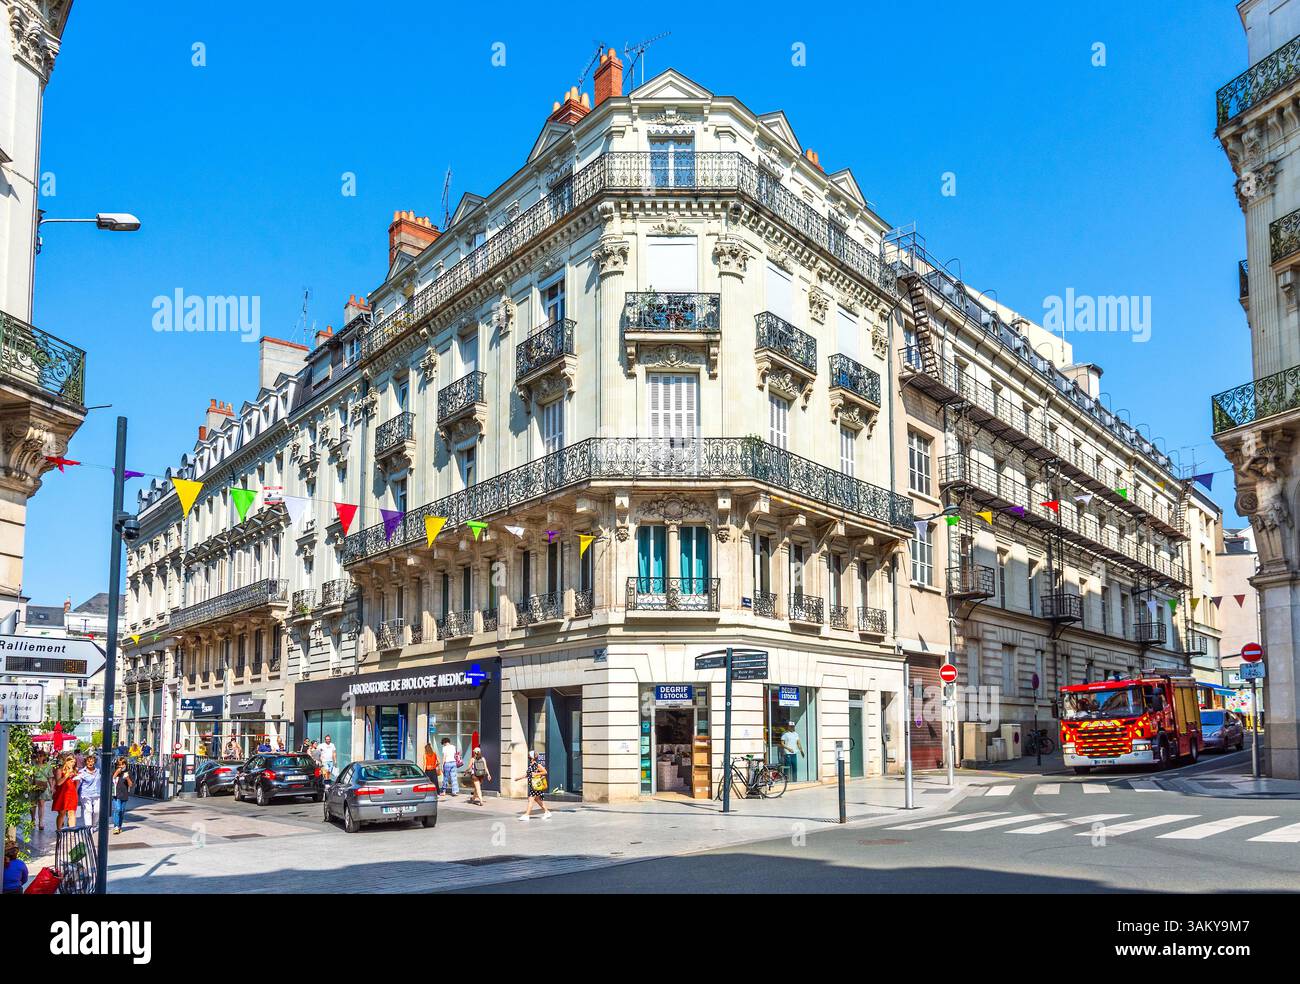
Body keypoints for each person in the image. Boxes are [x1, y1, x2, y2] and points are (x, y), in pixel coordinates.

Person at [518, 750, 551, 821]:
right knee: (538, 800)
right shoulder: (530, 765)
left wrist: (536, 774)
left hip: (536, 786)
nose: (528, 756)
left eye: (529, 755)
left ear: (532, 757)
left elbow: (545, 772)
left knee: (531, 800)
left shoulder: (537, 765)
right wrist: (519, 778)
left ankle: (527, 815)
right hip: (533, 786)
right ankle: (547, 812)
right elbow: (528, 774)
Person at [51, 755, 79, 832]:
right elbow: (59, 783)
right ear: (66, 761)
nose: (72, 764)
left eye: (74, 762)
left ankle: (72, 832)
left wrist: (77, 778)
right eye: (71, 761)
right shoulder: (60, 770)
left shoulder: (75, 771)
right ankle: (59, 830)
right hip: (62, 794)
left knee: (72, 813)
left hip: (72, 794)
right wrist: (67, 775)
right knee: (62, 813)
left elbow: (77, 784)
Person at [30, 750, 53, 832]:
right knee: (33, 804)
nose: (39, 757)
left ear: (44, 757)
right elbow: (29, 775)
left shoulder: (48, 766)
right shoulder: (33, 765)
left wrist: (52, 787)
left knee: (41, 804)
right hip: (34, 785)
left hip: (44, 786)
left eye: (41, 756)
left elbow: (50, 777)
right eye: (38, 755)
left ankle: (40, 822)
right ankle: (33, 819)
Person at [76, 756, 101, 830]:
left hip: (97, 793)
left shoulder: (98, 770)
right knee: (88, 810)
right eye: (88, 761)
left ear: (94, 762)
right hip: (85, 794)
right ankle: (89, 828)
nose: (90, 763)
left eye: (92, 761)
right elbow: (78, 784)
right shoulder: (82, 772)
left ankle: (94, 825)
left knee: (97, 811)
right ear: (85, 762)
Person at [110, 757, 133, 834]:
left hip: (124, 794)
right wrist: (116, 773)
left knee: (122, 811)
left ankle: (119, 826)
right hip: (116, 794)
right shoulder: (114, 771)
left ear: (125, 764)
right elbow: (111, 780)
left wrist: (127, 778)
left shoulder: (128, 772)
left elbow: (131, 784)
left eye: (123, 764)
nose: (121, 766)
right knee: (118, 809)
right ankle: (116, 826)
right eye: (119, 764)